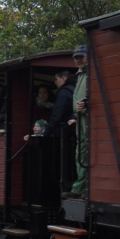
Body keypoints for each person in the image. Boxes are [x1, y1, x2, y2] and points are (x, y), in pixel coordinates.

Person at [65, 46, 89, 199]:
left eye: (81, 56)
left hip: (89, 119)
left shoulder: (92, 73)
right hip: (80, 118)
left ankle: (81, 189)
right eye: (76, 57)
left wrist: (87, 104)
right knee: (80, 152)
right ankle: (79, 188)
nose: (79, 59)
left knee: (85, 152)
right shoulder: (80, 75)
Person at [47, 69, 76, 136]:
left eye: (56, 79)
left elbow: (58, 113)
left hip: (66, 128)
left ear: (63, 79)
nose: (55, 82)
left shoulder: (63, 92)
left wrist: (48, 131)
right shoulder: (74, 89)